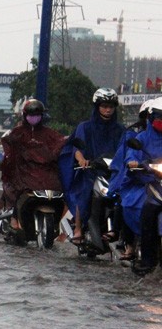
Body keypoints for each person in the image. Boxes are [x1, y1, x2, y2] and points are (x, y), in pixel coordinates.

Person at [59, 88, 125, 244]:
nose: (108, 109)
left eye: (111, 106)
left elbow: (125, 149)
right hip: (90, 171)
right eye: (104, 106)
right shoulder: (85, 127)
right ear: (97, 107)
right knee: (83, 190)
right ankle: (78, 228)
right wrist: (81, 159)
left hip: (113, 172)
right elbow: (77, 147)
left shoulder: (121, 129)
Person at [1, 99, 65, 230]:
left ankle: (55, 224)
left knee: (57, 185)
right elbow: (8, 145)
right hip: (24, 170)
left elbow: (60, 143)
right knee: (19, 187)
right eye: (31, 115)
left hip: (45, 171)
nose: (34, 118)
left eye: (37, 115)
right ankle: (14, 217)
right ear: (25, 115)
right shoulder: (18, 132)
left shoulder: (50, 133)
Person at [109, 100, 154, 260]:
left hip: (158, 182)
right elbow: (128, 156)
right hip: (138, 180)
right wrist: (133, 163)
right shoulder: (136, 136)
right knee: (128, 203)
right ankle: (129, 245)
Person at [125, 98, 162, 275]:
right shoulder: (142, 137)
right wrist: (133, 162)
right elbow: (132, 154)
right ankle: (147, 260)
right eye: (159, 118)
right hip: (152, 183)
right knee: (149, 213)